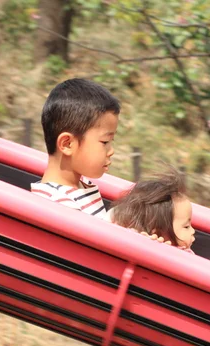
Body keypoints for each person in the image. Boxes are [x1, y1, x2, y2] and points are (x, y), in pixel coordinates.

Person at [31, 78, 119, 220]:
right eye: (105, 142)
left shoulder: (83, 187)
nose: (111, 151)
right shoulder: (58, 206)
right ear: (67, 144)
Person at [110, 169, 196, 252]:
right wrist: (145, 244)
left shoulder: (186, 253)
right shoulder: (181, 256)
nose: (193, 231)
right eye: (186, 227)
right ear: (157, 234)